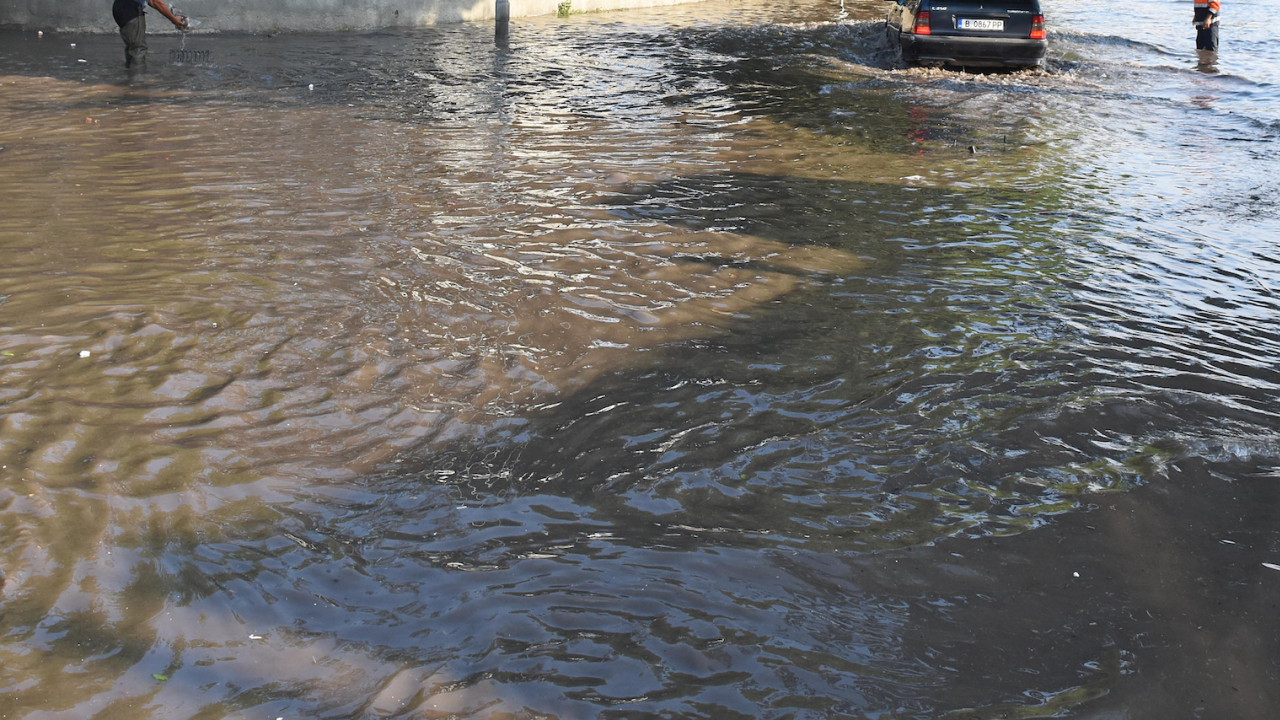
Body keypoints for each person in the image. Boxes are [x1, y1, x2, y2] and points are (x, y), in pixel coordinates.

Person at [112, 0, 188, 68]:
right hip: (130, 9)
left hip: (119, 7)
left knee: (132, 45)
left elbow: (151, 1)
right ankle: (138, 78)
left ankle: (129, 74)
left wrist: (172, 16)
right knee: (138, 49)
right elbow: (157, 2)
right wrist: (173, 19)